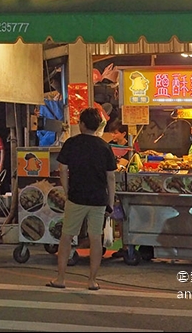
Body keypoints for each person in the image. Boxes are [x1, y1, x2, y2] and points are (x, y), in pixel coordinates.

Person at [48, 107, 116, 291]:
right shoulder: (105, 147)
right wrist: (110, 201)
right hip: (98, 199)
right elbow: (111, 177)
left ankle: (61, 278)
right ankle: (92, 281)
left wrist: (67, 190)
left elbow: (62, 169)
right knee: (96, 239)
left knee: (67, 237)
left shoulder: (71, 143)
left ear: (82, 124)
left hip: (76, 197)